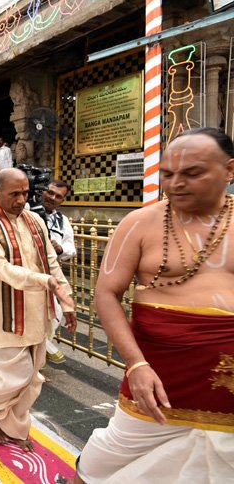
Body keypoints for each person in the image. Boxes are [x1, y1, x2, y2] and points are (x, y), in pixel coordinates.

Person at [74, 128, 234, 483]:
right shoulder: (140, 223)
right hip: (157, 376)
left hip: (227, 383)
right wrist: (136, 364)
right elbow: (106, 293)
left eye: (192, 173)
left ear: (229, 171)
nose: (176, 183)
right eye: (167, 174)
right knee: (102, 464)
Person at [0, 167, 76, 451]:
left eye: (25, 192)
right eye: (15, 194)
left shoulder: (35, 220)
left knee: (33, 374)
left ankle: (11, 424)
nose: (21, 199)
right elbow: (1, 268)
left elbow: (50, 262)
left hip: (38, 309)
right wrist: (45, 281)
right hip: (6, 311)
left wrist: (67, 299)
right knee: (14, 373)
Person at [29, 179, 76, 365]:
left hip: (50, 275)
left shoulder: (62, 221)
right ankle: (31, 365)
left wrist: (59, 249)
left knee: (53, 316)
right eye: (50, 192)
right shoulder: (26, 211)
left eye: (58, 196)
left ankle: (36, 360)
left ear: (62, 201)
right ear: (42, 191)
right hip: (26, 274)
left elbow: (71, 248)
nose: (52, 198)